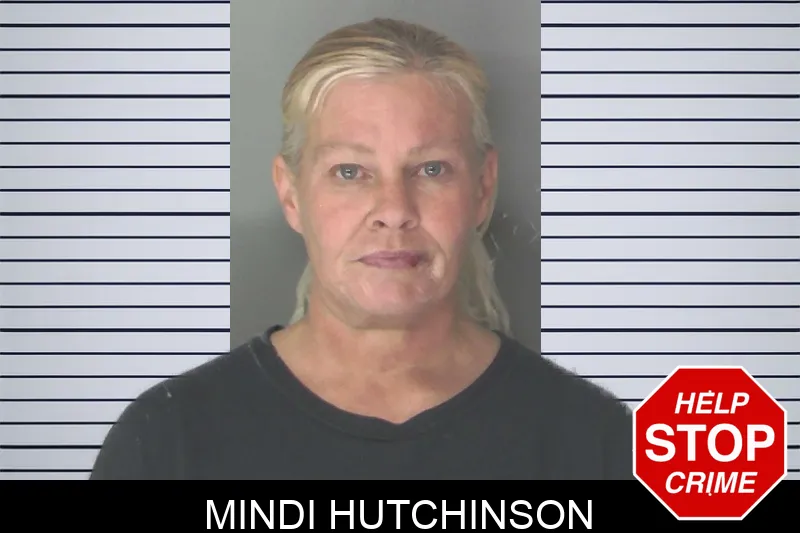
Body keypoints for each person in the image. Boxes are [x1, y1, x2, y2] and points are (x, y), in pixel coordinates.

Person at [91, 17, 632, 480]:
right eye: (350, 171)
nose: (394, 209)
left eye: (432, 169)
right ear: (291, 194)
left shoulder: (596, 442)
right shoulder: (167, 443)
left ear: (483, 188)